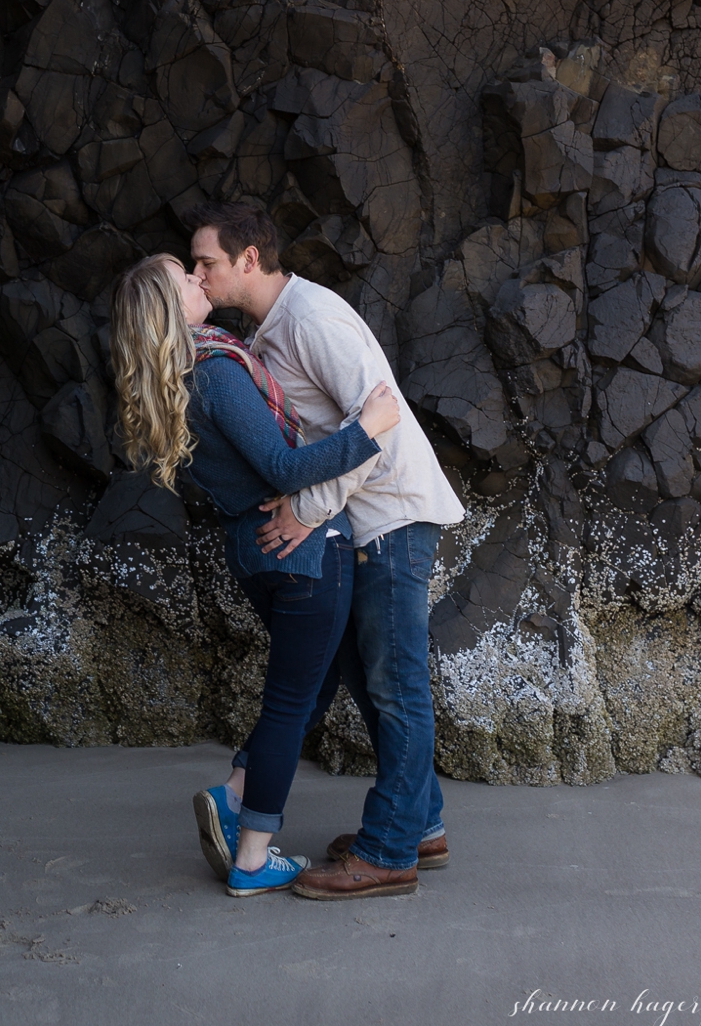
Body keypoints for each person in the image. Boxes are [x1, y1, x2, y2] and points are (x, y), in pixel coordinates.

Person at [186, 202, 466, 902]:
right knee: (374, 681)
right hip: (362, 521)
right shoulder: (271, 330)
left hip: (391, 518)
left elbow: (383, 420)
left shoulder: (312, 320)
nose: (199, 273)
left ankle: (391, 851)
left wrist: (308, 510)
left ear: (248, 259)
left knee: (395, 688)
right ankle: (420, 823)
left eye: (207, 263)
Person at [110, 254, 403, 896]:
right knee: (291, 701)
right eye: (183, 278)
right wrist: (369, 431)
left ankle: (238, 790)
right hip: (300, 554)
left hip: (251, 549)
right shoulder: (212, 371)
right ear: (168, 306)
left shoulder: (179, 382)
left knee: (315, 679)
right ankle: (251, 855)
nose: (197, 278)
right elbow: (282, 466)